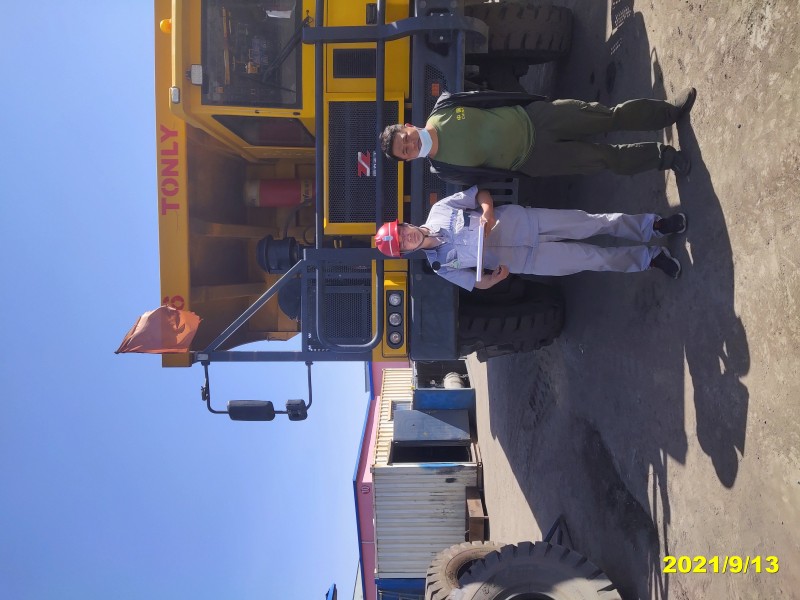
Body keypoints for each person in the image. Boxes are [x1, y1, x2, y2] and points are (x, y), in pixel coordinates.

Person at [374, 187, 687, 290]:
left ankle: (654, 226)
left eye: (402, 232)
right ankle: (651, 259)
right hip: (529, 260)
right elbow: (476, 283)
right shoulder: (441, 266)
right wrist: (495, 278)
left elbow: (480, 194)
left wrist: (488, 212)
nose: (407, 237)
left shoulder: (440, 210)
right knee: (595, 259)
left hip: (529, 222)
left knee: (595, 223)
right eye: (403, 243)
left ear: (405, 223)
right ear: (406, 252)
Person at [379, 87, 696, 186]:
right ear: (408, 160)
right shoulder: (444, 170)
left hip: (537, 118)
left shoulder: (445, 106)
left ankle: (669, 112)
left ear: (408, 126)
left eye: (405, 138)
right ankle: (666, 158)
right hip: (536, 159)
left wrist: (533, 103)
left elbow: (489, 97)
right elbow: (484, 179)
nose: (410, 145)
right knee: (605, 158)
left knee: (608, 116)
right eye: (405, 151)